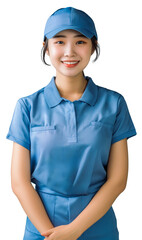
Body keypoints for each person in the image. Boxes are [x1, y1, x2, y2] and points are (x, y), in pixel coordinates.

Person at [6, 6, 137, 240]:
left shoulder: (114, 104)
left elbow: (117, 180)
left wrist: (74, 231)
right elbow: (19, 182)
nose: (69, 52)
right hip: (42, 229)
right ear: (45, 46)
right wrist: (51, 235)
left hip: (98, 229)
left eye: (80, 41)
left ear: (93, 46)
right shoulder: (27, 107)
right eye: (59, 41)